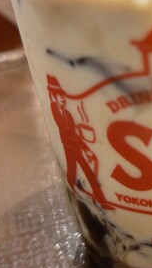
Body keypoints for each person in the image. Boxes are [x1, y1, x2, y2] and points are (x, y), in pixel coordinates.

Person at [47, 75, 111, 208]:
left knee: (87, 172)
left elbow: (74, 133)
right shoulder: (53, 107)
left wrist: (86, 149)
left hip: (75, 145)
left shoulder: (68, 114)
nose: (63, 99)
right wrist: (77, 130)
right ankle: (75, 193)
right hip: (68, 146)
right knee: (72, 173)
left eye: (63, 96)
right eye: (60, 96)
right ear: (53, 96)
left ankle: (101, 200)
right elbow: (63, 128)